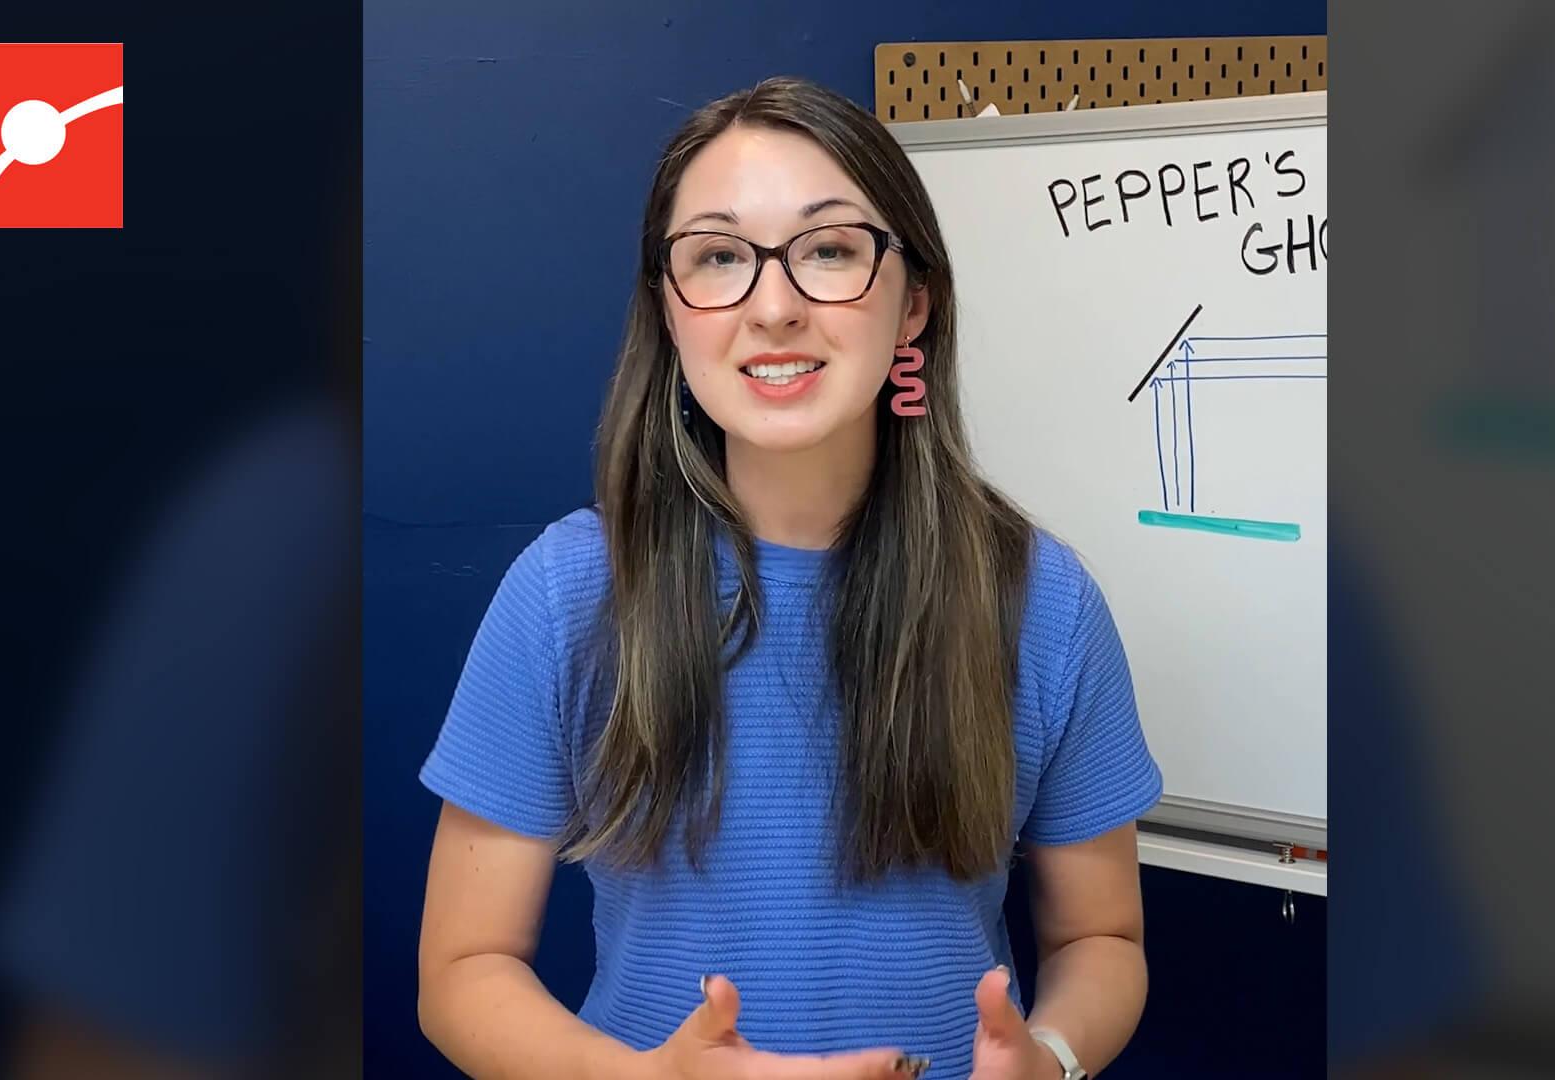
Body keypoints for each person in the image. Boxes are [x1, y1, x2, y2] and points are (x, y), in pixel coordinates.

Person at [415, 76, 1162, 1080]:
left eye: (830, 251)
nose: (774, 307)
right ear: (669, 312)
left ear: (914, 306)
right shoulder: (568, 593)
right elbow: (462, 970)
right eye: (718, 258)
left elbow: (1101, 941)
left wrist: (1054, 1059)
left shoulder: (1041, 599)